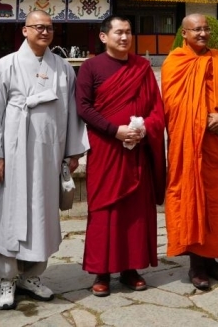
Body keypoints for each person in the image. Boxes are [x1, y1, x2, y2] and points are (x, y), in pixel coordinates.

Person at [0, 10, 89, 310]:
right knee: (9, 213)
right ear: (25, 31)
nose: (44, 32)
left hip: (49, 153)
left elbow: (72, 113)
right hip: (14, 152)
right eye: (38, 27)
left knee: (43, 212)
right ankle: (6, 278)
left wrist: (72, 152)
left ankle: (32, 275)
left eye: (49, 28)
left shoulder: (63, 68)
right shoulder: (5, 65)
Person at [76, 17, 166, 296]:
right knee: (104, 209)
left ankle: (130, 268)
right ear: (104, 37)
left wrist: (142, 130)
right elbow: (83, 107)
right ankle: (101, 271)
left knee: (135, 211)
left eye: (128, 32)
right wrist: (114, 131)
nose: (125, 37)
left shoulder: (141, 67)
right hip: (106, 148)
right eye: (118, 32)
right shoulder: (91, 67)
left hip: (137, 149)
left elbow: (156, 109)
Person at [162, 14, 218, 290]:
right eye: (196, 29)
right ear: (184, 34)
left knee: (214, 204)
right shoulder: (175, 62)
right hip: (188, 146)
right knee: (189, 199)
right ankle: (196, 266)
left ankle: (211, 261)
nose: (202, 33)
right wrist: (201, 121)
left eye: (205, 29)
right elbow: (172, 105)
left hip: (216, 143)